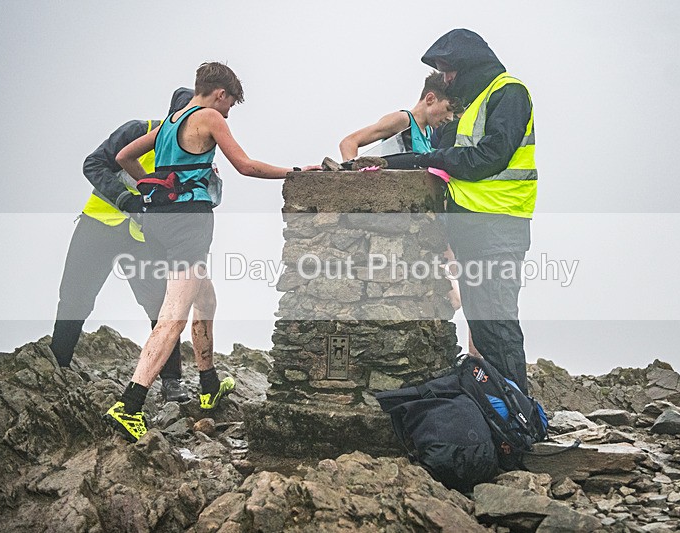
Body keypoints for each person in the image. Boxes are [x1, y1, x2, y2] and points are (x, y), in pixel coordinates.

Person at [105, 62, 318, 442]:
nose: (228, 112)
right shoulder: (208, 117)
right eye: (231, 105)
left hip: (160, 220)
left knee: (206, 300)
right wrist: (297, 172)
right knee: (173, 317)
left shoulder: (171, 121)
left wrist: (158, 186)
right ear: (221, 94)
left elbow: (124, 157)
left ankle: (209, 383)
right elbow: (246, 166)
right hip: (189, 224)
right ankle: (130, 404)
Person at [49, 87, 197, 403]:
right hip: (98, 226)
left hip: (146, 240)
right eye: (180, 119)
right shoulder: (137, 131)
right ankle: (57, 366)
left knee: (162, 309)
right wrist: (124, 198)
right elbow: (93, 164)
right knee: (75, 298)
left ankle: (172, 383)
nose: (184, 127)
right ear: (170, 116)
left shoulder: (194, 153)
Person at [414, 29, 538, 394]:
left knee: (497, 324)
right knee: (484, 325)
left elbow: (489, 157)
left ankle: (519, 417)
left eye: (448, 69)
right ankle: (505, 412)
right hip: (474, 227)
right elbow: (443, 153)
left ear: (469, 63)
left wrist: (438, 158)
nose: (447, 78)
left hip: (500, 225)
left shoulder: (509, 92)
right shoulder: (474, 102)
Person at [338, 72, 456, 161]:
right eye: (448, 109)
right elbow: (349, 142)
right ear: (430, 99)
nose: (450, 118)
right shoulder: (403, 120)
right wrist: (354, 180)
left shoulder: (429, 131)